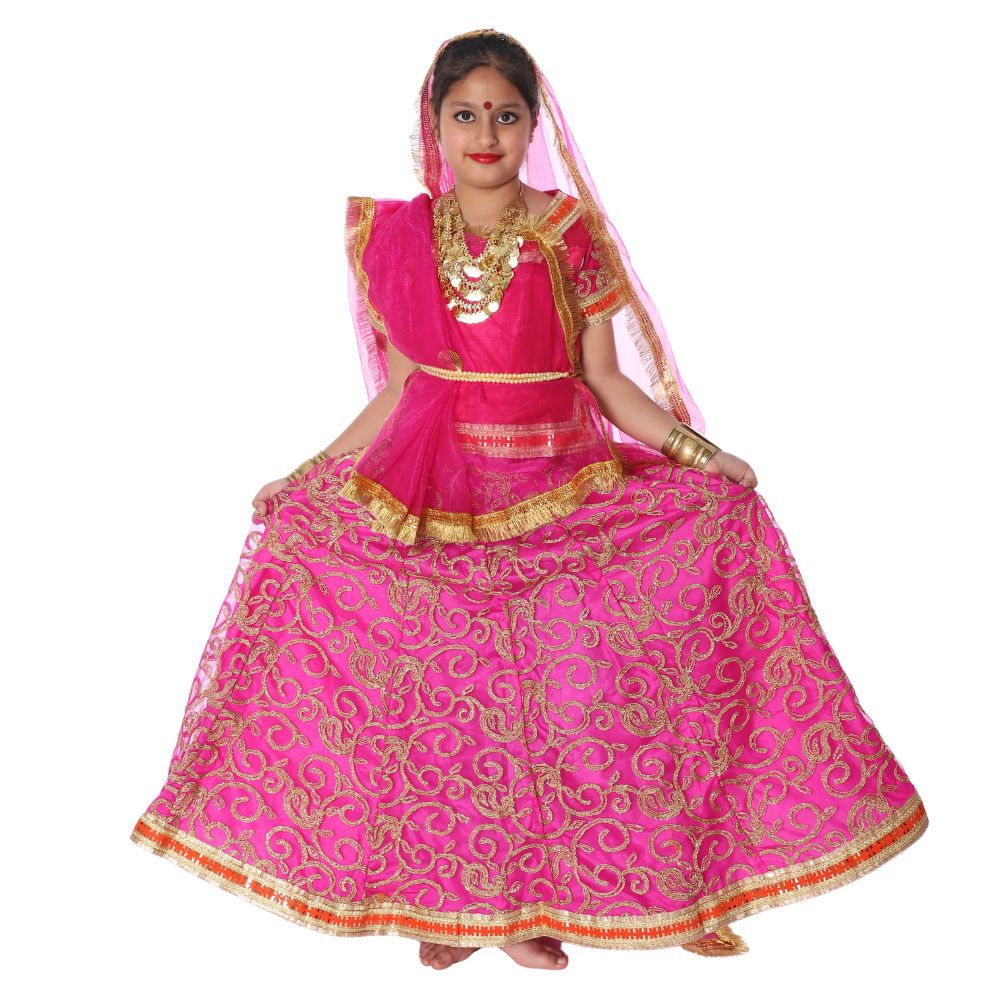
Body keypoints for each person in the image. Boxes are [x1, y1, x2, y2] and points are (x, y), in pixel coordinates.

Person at [129, 28, 928, 973]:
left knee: (604, 698)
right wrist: (305, 475)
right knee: (450, 712)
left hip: (563, 495)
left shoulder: (568, 232)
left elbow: (606, 382)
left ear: (533, 125)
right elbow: (400, 393)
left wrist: (699, 453)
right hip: (437, 498)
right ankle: (468, 907)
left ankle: (676, 886)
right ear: (433, 125)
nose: (486, 134)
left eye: (506, 116)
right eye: (465, 114)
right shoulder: (401, 238)